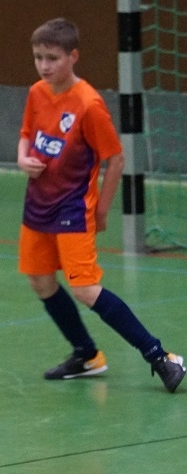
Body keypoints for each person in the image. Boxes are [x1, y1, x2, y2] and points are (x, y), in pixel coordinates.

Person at [16, 18, 185, 392]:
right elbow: (26, 134)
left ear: (73, 57)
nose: (44, 66)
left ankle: (161, 356)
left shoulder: (89, 105)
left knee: (85, 288)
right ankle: (87, 355)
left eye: (52, 58)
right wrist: (22, 158)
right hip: (37, 205)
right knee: (41, 281)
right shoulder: (37, 93)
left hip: (73, 209)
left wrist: (102, 210)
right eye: (38, 57)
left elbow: (116, 158)